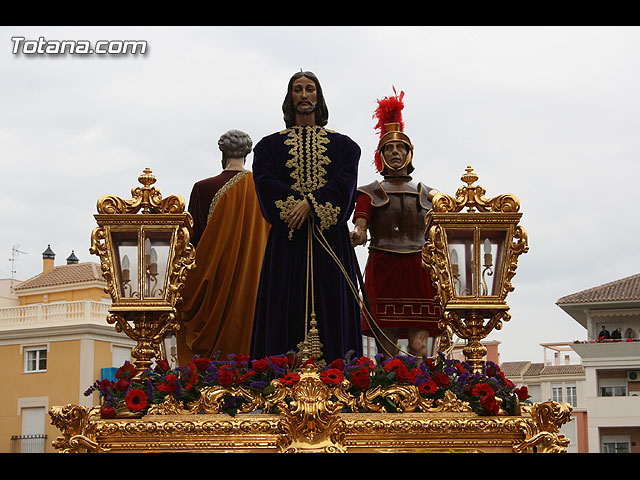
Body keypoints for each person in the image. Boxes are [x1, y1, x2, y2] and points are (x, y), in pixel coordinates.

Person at [249, 71, 363, 363]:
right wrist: (295, 207)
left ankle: (341, 380)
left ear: (318, 97)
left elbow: (345, 183)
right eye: (297, 89)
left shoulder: (344, 147)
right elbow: (265, 183)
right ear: (290, 98)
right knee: (284, 305)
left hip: (330, 243)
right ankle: (278, 381)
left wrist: (312, 203)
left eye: (310, 89)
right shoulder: (267, 148)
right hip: (287, 244)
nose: (304, 95)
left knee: (333, 306)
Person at [350, 89, 441, 358]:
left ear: (409, 153)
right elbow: (361, 221)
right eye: (388, 148)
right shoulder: (369, 191)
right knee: (386, 350)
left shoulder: (428, 193)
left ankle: (423, 393)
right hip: (384, 267)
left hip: (419, 268)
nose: (395, 152)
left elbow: (442, 230)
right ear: (381, 155)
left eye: (400, 147)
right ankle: (390, 394)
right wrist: (358, 232)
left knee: (418, 348)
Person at [176, 130, 270, 364]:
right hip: (254, 282)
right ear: (247, 153)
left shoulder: (203, 188)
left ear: (222, 152)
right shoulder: (263, 189)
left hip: (213, 286)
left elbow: (191, 244)